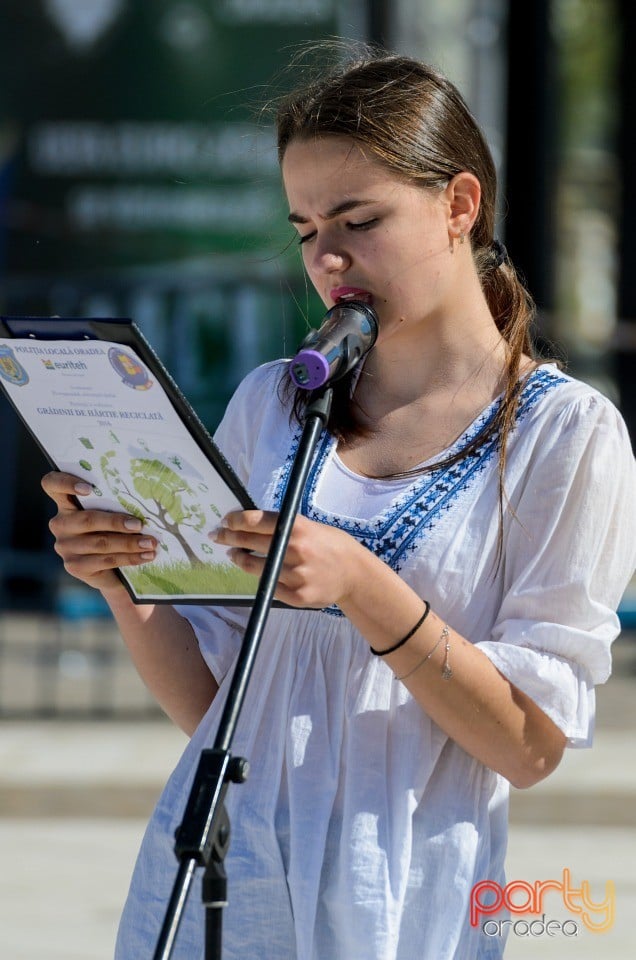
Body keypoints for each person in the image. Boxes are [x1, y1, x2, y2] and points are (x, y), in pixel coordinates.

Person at [42, 47, 635, 960]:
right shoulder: (273, 400)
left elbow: (528, 748)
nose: (327, 257)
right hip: (221, 880)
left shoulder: (565, 434)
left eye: (361, 219)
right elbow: (217, 705)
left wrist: (364, 584)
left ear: (460, 205)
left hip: (399, 896)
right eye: (306, 227)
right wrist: (128, 580)